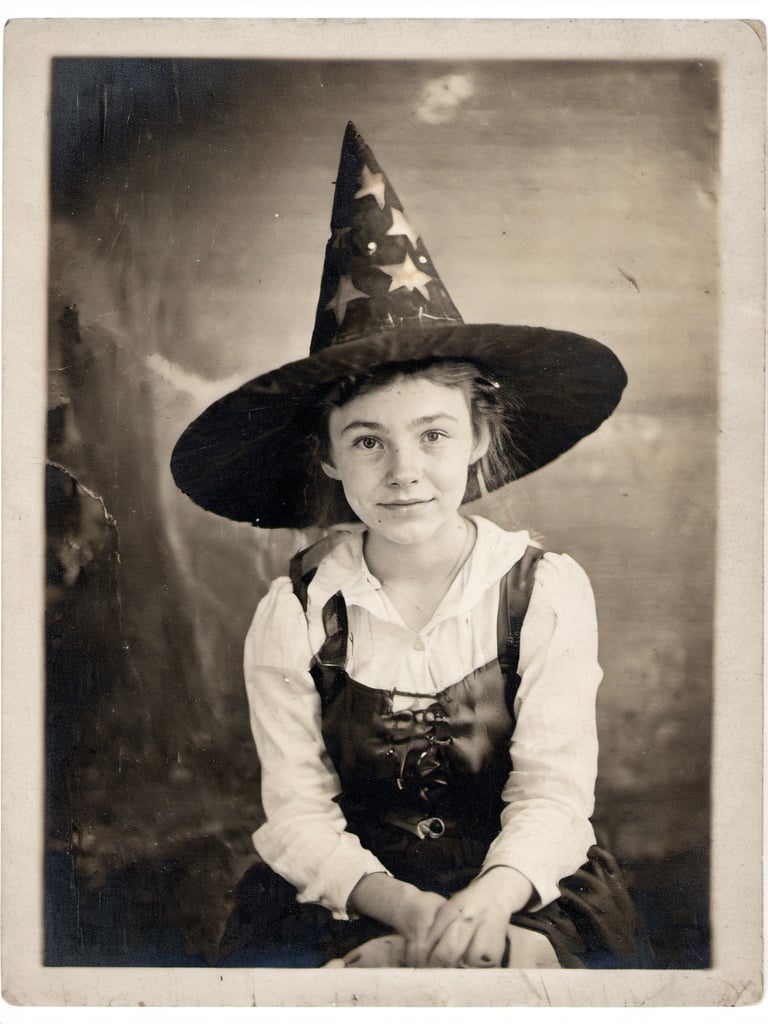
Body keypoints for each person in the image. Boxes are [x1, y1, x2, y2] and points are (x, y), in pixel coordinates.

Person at [171, 123, 648, 969]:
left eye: (432, 435)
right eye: (367, 442)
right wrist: (402, 916)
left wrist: (489, 904)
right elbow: (298, 813)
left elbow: (553, 790)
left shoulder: (544, 591)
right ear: (325, 456)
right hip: (352, 894)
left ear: (475, 438)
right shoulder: (296, 613)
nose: (403, 473)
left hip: (522, 887)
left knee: (520, 975)